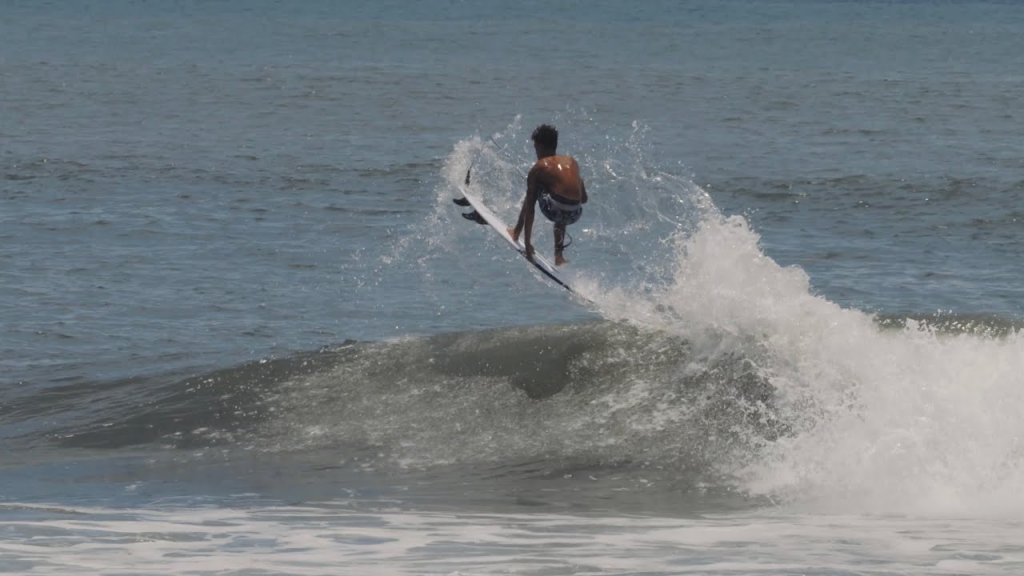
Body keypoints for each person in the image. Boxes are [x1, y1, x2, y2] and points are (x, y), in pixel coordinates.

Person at [508, 124, 588, 266]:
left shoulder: (538, 167)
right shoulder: (571, 161)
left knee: (535, 190)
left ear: (541, 146)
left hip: (555, 212)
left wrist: (527, 244)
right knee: (561, 202)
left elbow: (531, 208)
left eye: (536, 148)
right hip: (575, 214)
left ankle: (516, 231)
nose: (536, 152)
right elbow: (584, 199)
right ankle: (558, 256)